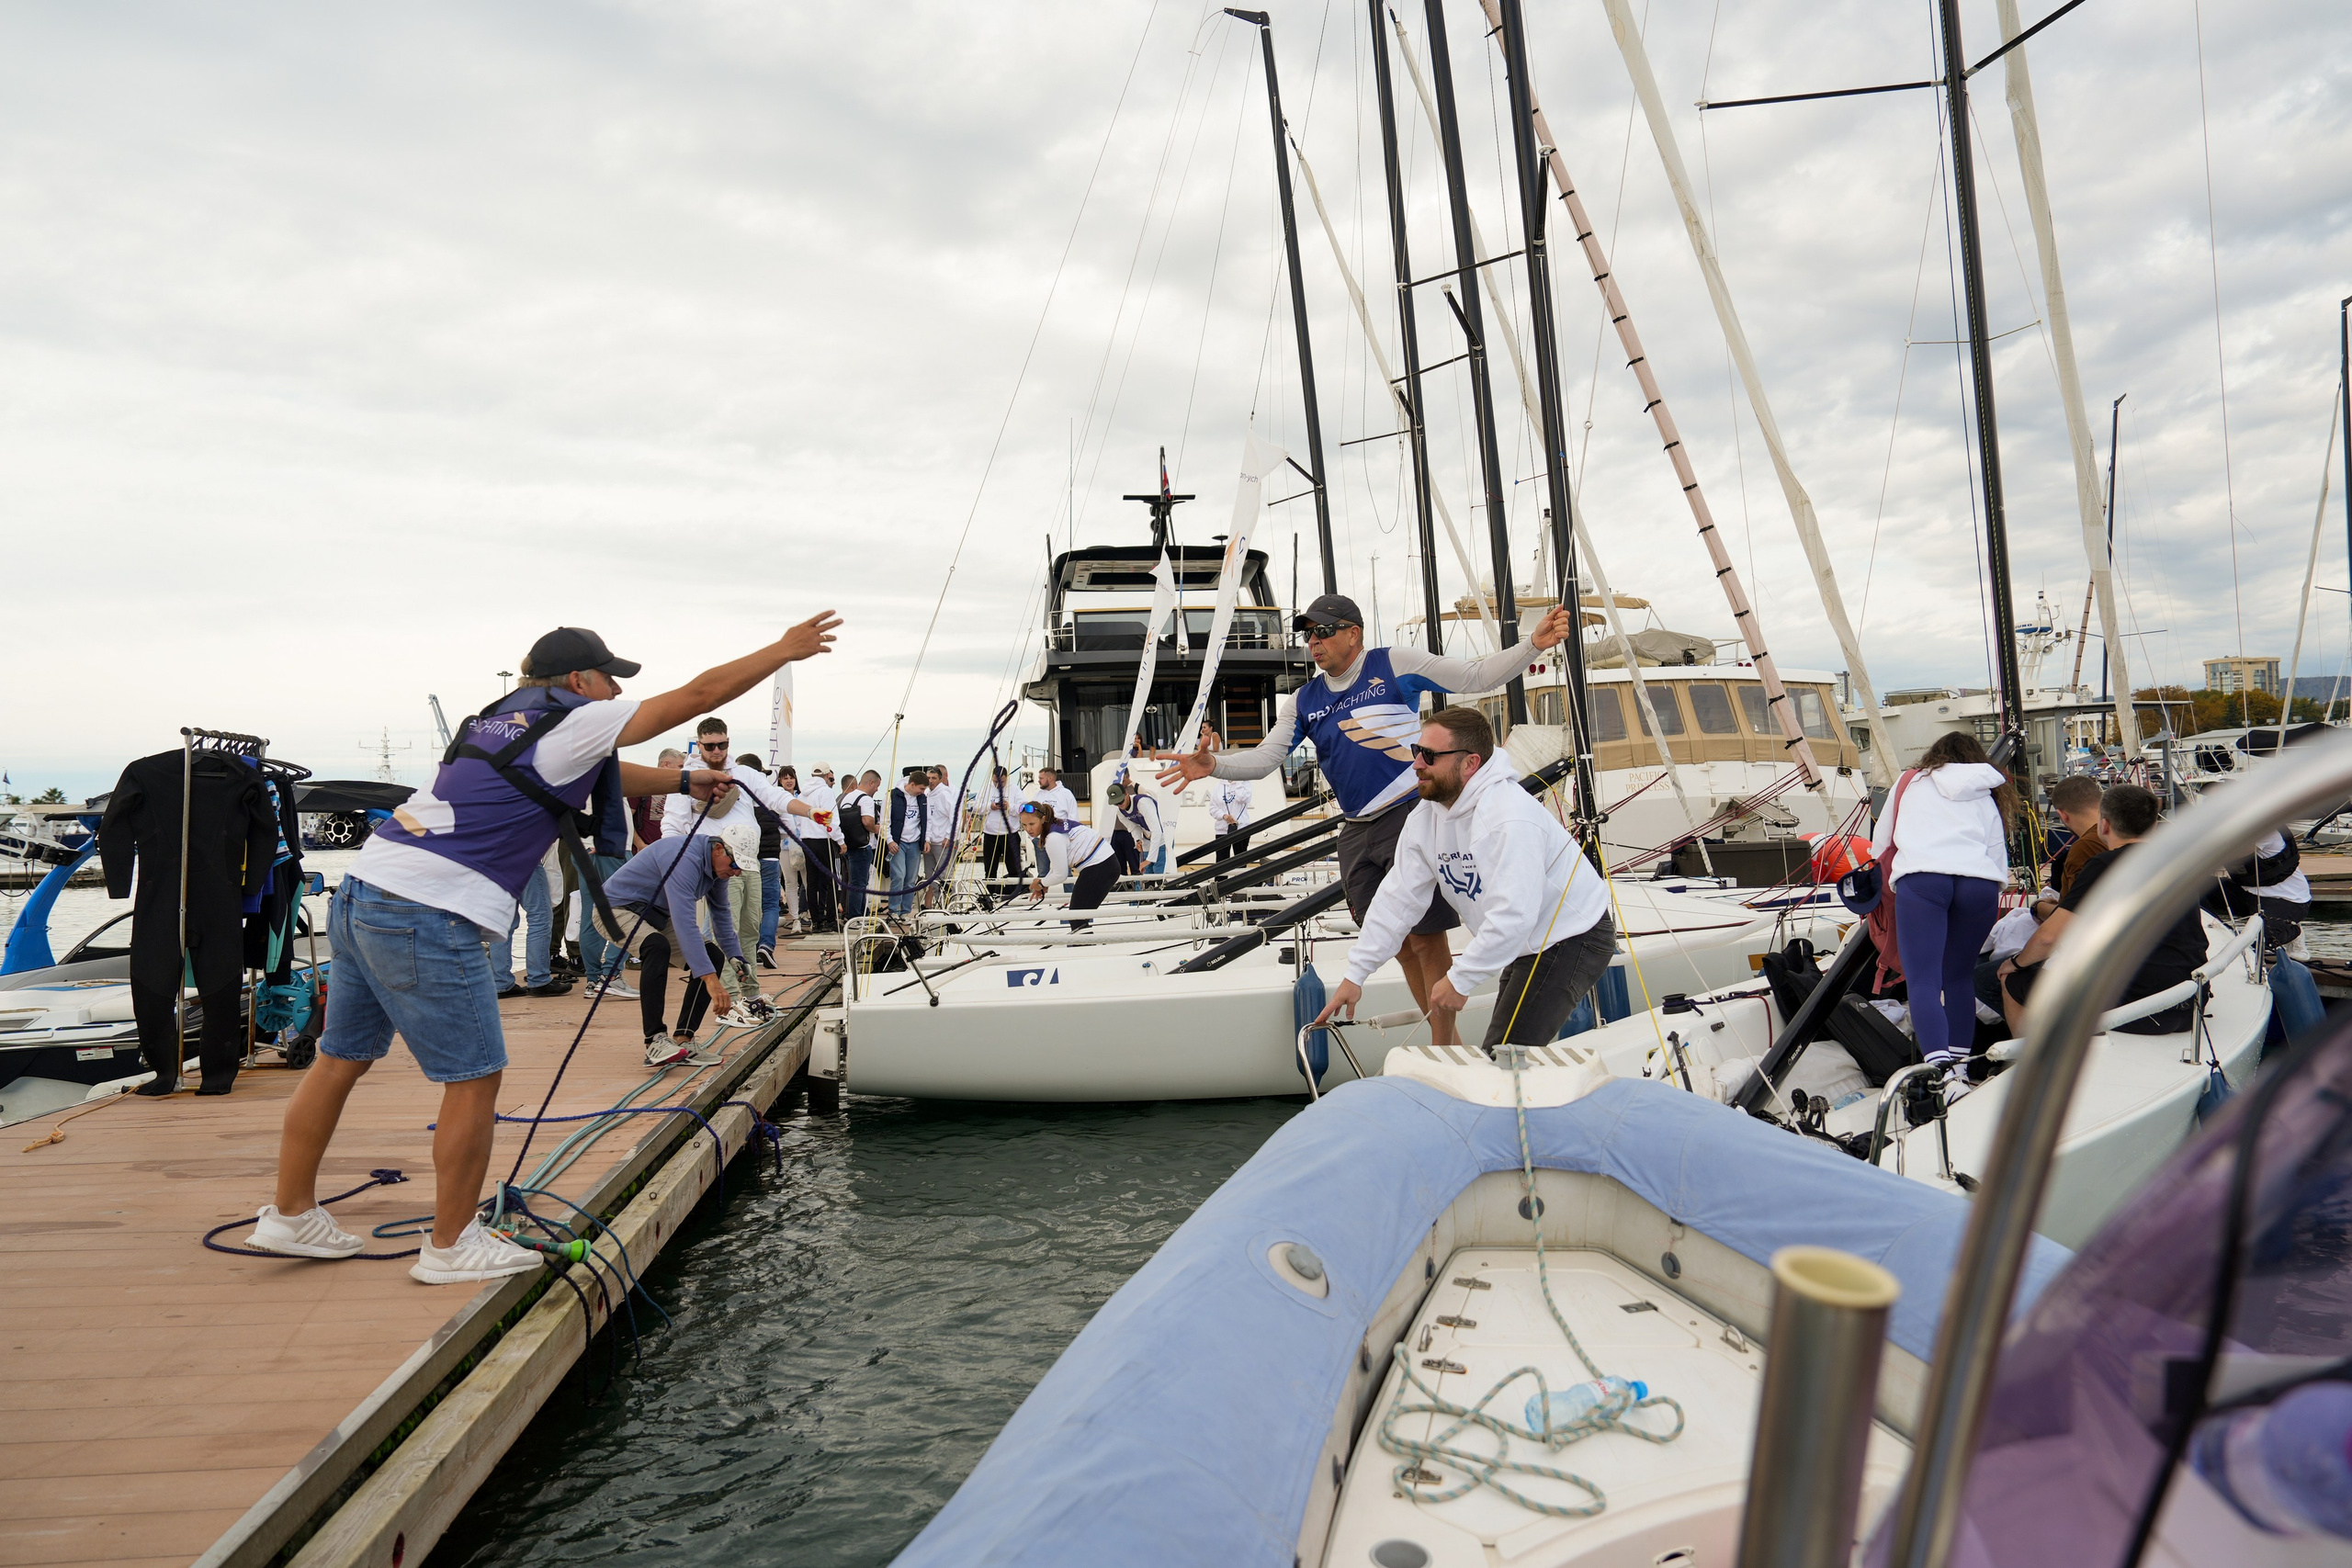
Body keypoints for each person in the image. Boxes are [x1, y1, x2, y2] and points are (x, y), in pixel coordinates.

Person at [249, 612, 841, 1286]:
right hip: (429, 910)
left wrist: (681, 782)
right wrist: (783, 650)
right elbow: (698, 697)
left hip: (367, 890)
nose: (617, 695)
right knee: (474, 1078)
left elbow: (589, 772)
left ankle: (290, 1213)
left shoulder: (498, 718)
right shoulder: (573, 714)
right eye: (611, 681)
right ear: (579, 679)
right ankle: (450, 1245)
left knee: (338, 1060)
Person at [1159, 592, 1578, 1048]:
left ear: (1352, 633)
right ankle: (1449, 1043)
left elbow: (1473, 676)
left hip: (1408, 814)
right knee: (1396, 942)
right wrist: (1213, 764)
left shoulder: (1391, 664)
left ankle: (1444, 1045)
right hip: (1357, 828)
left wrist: (1532, 645)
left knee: (1425, 935)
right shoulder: (1303, 700)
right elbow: (1267, 757)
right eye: (1308, 634)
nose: (1313, 642)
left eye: (1323, 631)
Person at [1315, 708, 1613, 1052]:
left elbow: (1513, 915)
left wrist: (1459, 980)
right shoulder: (1426, 818)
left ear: (1470, 764)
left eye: (1429, 756)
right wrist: (1356, 974)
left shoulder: (1507, 818)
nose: (1416, 765)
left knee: (1504, 1055)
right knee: (1506, 1054)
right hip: (1525, 938)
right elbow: (1397, 901)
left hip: (1573, 935)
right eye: (1416, 751)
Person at [1996, 784, 2208, 1049]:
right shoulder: (2179, 862)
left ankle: (2027, 1066)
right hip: (2188, 1001)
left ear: (2103, 825)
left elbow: (2049, 938)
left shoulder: (2104, 865)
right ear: (2154, 824)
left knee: (2014, 980)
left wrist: (2015, 963)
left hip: (2138, 1010)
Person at [1869, 730, 2015, 1091]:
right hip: (1978, 884)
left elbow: (1880, 844)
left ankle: (1941, 1076)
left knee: (1924, 981)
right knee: (1959, 978)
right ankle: (1961, 1072)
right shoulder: (1987, 791)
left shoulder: (1910, 782)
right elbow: (1997, 855)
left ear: (1936, 754)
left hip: (1923, 881)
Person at [662, 718, 814, 1014]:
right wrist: (672, 859)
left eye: (723, 744)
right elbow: (672, 821)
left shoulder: (744, 774)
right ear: (699, 744)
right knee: (725, 931)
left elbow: (776, 798)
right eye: (710, 745)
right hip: (718, 865)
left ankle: (751, 994)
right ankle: (730, 999)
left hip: (750, 862)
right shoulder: (689, 777)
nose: (717, 750)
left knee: (749, 929)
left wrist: (810, 811)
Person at [597, 821, 758, 1060]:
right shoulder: (684, 859)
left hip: (657, 914)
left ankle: (684, 1041)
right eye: (735, 865)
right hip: (615, 909)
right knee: (656, 947)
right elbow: (685, 924)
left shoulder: (718, 869)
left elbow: (721, 915)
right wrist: (710, 980)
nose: (737, 872)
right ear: (718, 850)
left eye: (741, 868)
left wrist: (735, 957)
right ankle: (655, 1040)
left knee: (713, 956)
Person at [1023, 802, 1117, 929]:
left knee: (1076, 917)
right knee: (1078, 917)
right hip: (1105, 864)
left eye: (1032, 824)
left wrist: (1041, 883)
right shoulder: (1056, 826)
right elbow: (1058, 867)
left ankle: (1084, 947)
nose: (1028, 829)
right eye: (1024, 825)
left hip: (1099, 866)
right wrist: (1043, 882)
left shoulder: (1053, 838)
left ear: (1043, 819)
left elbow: (1061, 875)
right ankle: (1084, 946)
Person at [2045, 774, 2107, 896]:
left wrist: (2038, 906)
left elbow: (2073, 911)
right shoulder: (2123, 833)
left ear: (2062, 815)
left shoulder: (2083, 848)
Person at [800, 766, 841, 931]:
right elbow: (831, 818)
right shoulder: (825, 791)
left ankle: (816, 921)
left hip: (806, 839)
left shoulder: (804, 792)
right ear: (827, 775)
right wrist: (841, 840)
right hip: (824, 839)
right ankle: (831, 919)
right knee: (833, 880)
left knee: (812, 881)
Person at [837, 770, 879, 919]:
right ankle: (856, 916)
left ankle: (861, 913)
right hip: (861, 847)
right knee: (859, 883)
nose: (877, 790)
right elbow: (867, 822)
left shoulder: (846, 797)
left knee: (853, 881)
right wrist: (877, 828)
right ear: (871, 783)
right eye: (877, 786)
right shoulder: (866, 799)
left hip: (847, 844)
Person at [888, 768, 929, 917]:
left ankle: (905, 911)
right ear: (912, 784)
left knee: (911, 879)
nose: (923, 791)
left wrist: (926, 839)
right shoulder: (893, 795)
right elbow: (885, 820)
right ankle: (894, 910)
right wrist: (889, 840)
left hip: (915, 843)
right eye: (921, 788)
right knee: (898, 876)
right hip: (898, 842)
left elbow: (926, 820)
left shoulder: (922, 798)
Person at [1105, 780, 1166, 876]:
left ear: (1126, 794)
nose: (1120, 805)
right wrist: (1137, 840)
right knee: (1147, 876)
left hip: (1163, 838)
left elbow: (1157, 830)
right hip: (1147, 840)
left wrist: (1149, 860)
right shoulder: (1120, 812)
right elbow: (1133, 827)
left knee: (1159, 874)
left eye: (1120, 801)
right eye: (1116, 803)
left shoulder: (1142, 803)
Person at [1027, 768, 1078, 880]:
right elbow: (1031, 815)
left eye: (1041, 778)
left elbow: (1073, 818)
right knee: (1042, 873)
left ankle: (1070, 897)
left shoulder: (1066, 794)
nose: (1039, 781)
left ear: (1050, 778)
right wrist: (1032, 837)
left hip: (1060, 839)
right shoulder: (1038, 795)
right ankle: (1041, 897)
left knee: (1066, 873)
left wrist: (1070, 838)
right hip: (1040, 839)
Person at [979, 765, 1022, 897]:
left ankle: (1015, 895)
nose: (998, 784)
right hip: (990, 835)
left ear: (1006, 778)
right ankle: (990, 896)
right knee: (990, 870)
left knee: (1014, 868)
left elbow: (1024, 808)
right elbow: (975, 808)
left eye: (1001, 782)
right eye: (995, 781)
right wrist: (990, 807)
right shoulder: (986, 789)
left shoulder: (1015, 790)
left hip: (1010, 835)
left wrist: (1010, 807)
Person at [923, 763, 956, 908]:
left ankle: (952, 905)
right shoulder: (927, 794)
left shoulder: (944, 794)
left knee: (945, 877)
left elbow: (955, 816)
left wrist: (949, 836)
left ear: (940, 779)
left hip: (942, 842)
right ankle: (940, 905)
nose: (930, 781)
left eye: (934, 778)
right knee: (931, 879)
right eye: (928, 778)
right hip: (929, 843)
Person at [1209, 774, 1254, 865]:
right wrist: (1224, 816)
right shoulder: (1219, 786)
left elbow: (1242, 798)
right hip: (1222, 829)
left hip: (1241, 827)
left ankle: (1241, 880)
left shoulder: (1245, 784)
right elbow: (1212, 808)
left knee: (1240, 862)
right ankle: (1220, 880)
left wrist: (1239, 780)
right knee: (1221, 863)